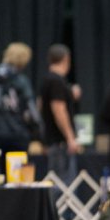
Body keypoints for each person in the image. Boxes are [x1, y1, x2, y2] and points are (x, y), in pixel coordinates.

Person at [0, 42, 42, 173]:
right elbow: (31, 112)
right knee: (16, 178)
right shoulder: (21, 81)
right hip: (17, 136)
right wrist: (37, 132)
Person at [39, 44, 82, 184]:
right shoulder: (56, 81)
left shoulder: (47, 80)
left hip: (51, 141)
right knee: (63, 186)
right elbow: (59, 110)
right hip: (60, 143)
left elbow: (39, 105)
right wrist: (70, 138)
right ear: (66, 59)